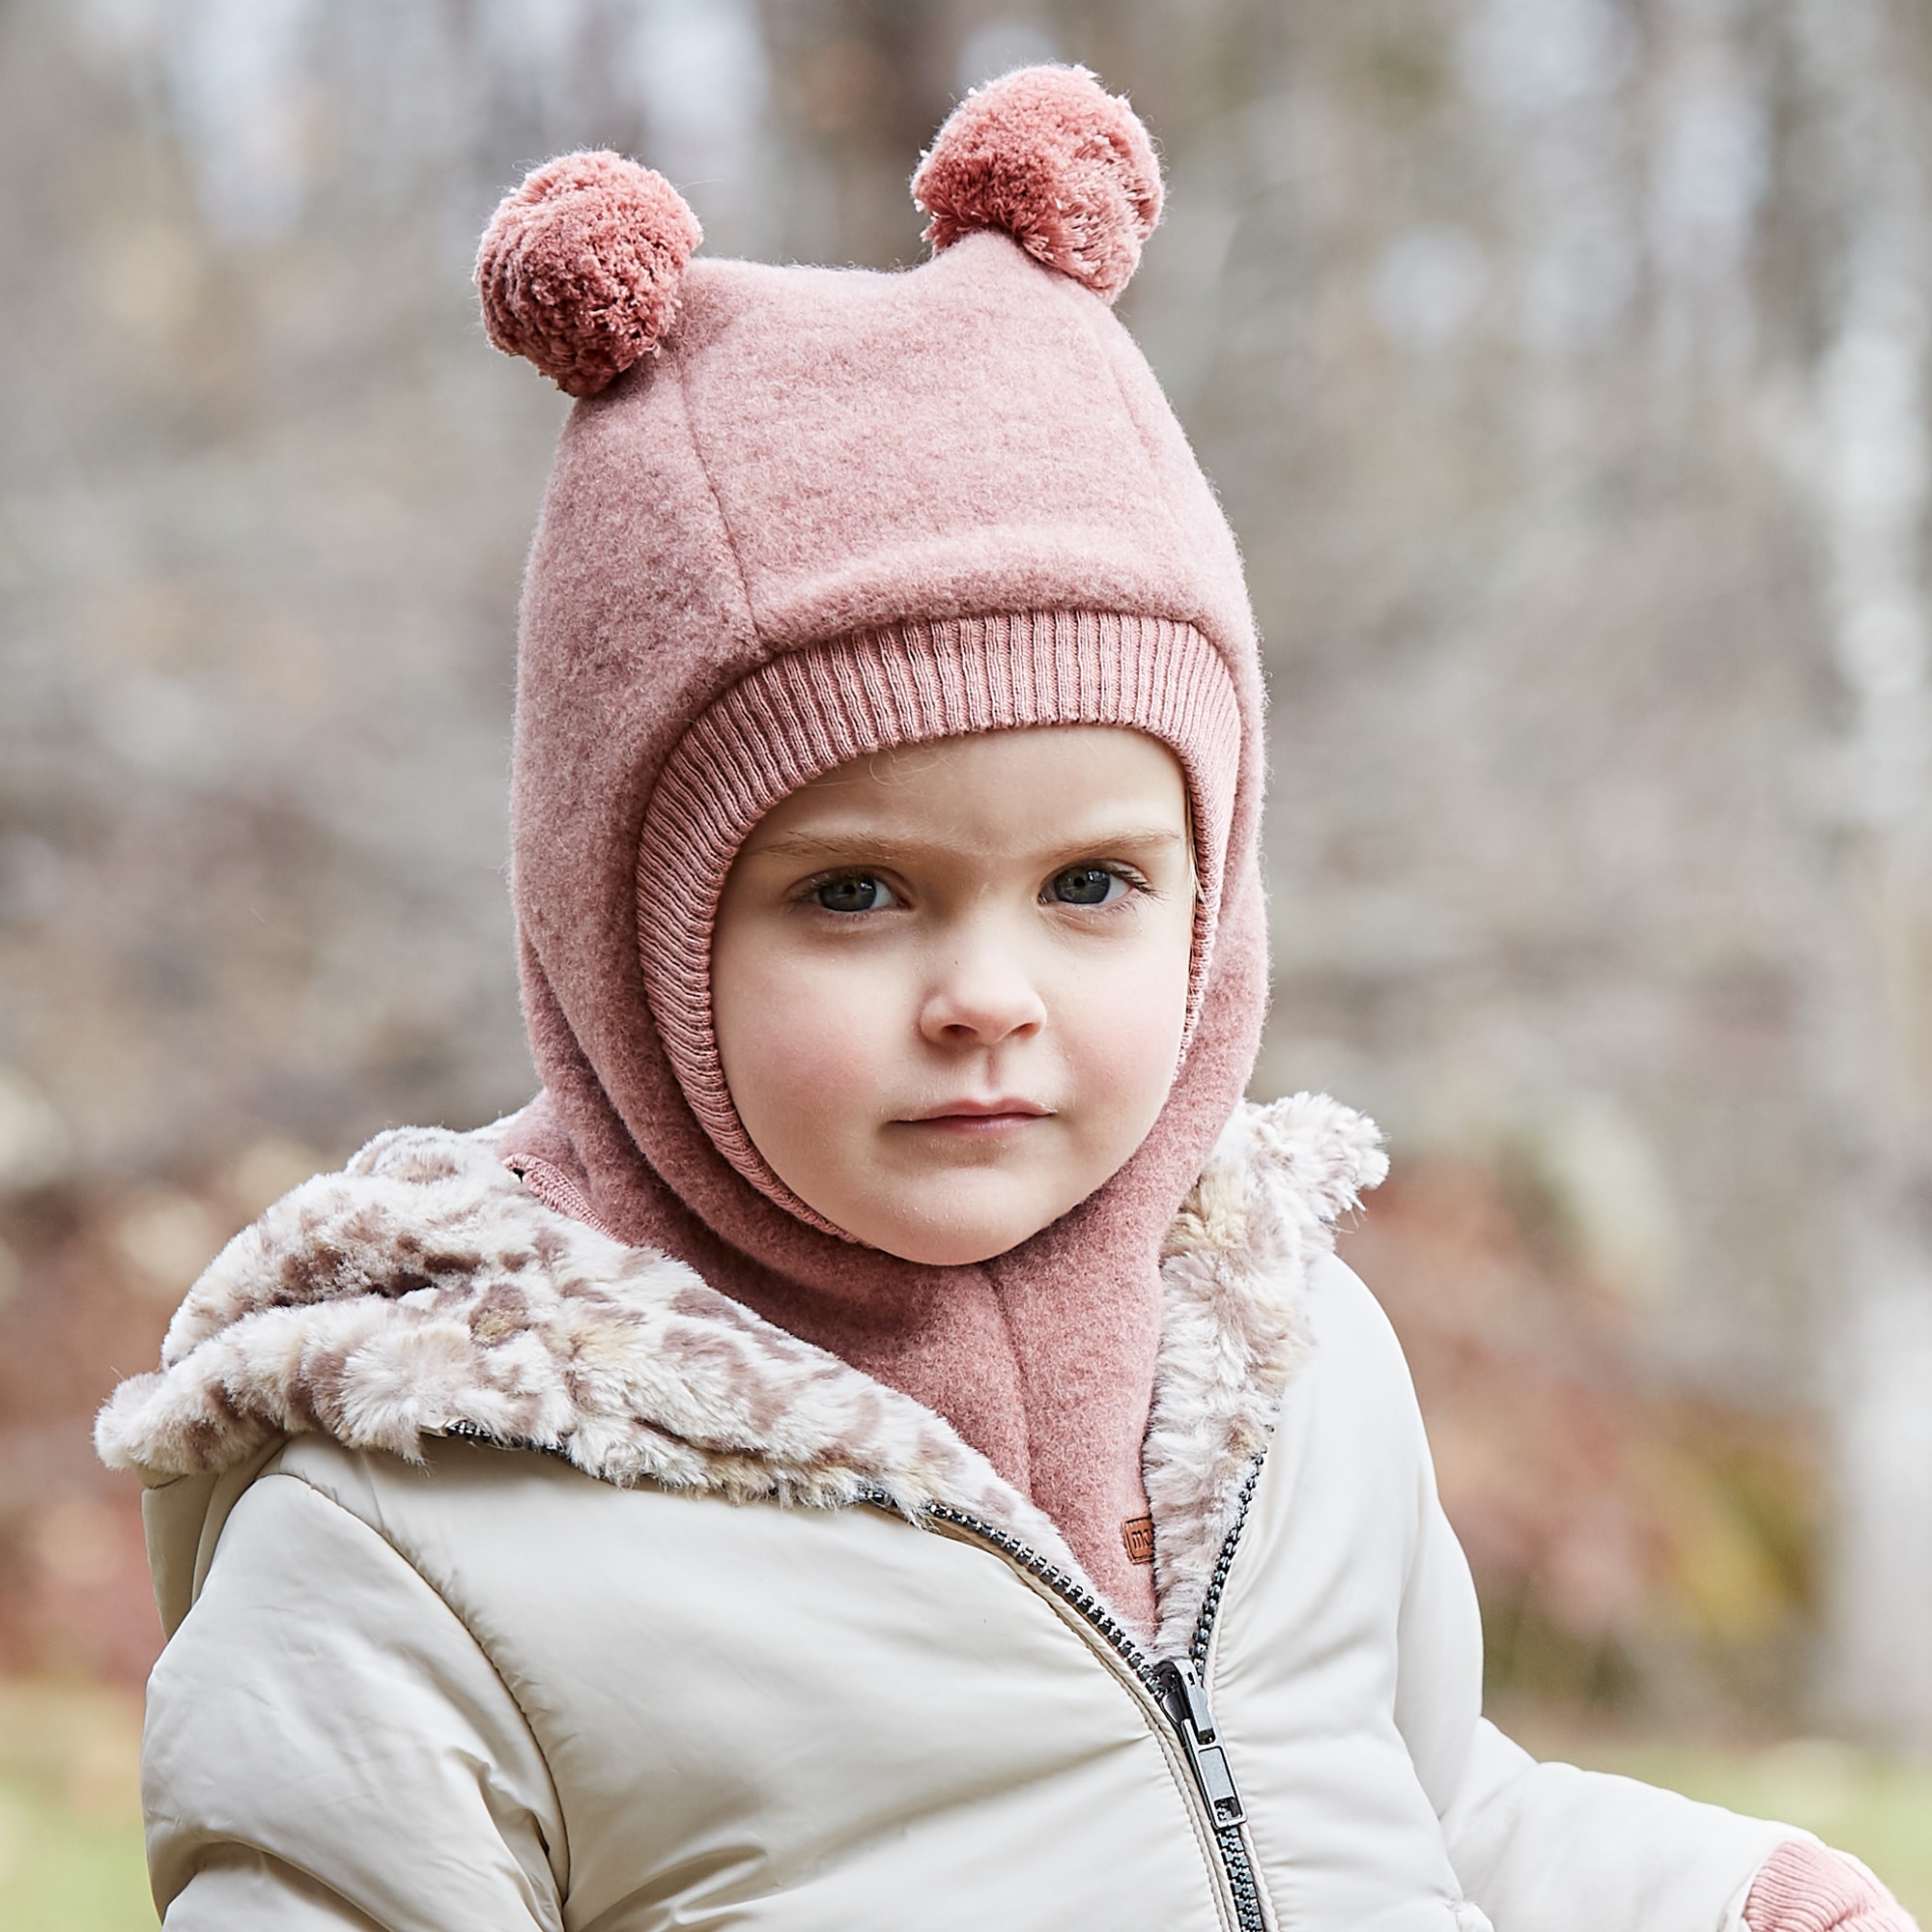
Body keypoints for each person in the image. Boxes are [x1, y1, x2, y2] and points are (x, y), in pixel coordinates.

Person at [98, 65, 1912, 1932]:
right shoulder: (428, 1519)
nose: (988, 995)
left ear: (1214, 902)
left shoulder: (1281, 1364)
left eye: (1092, 887)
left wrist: (1717, 1896)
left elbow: (1412, 1812)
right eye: (858, 892)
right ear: (628, 937)